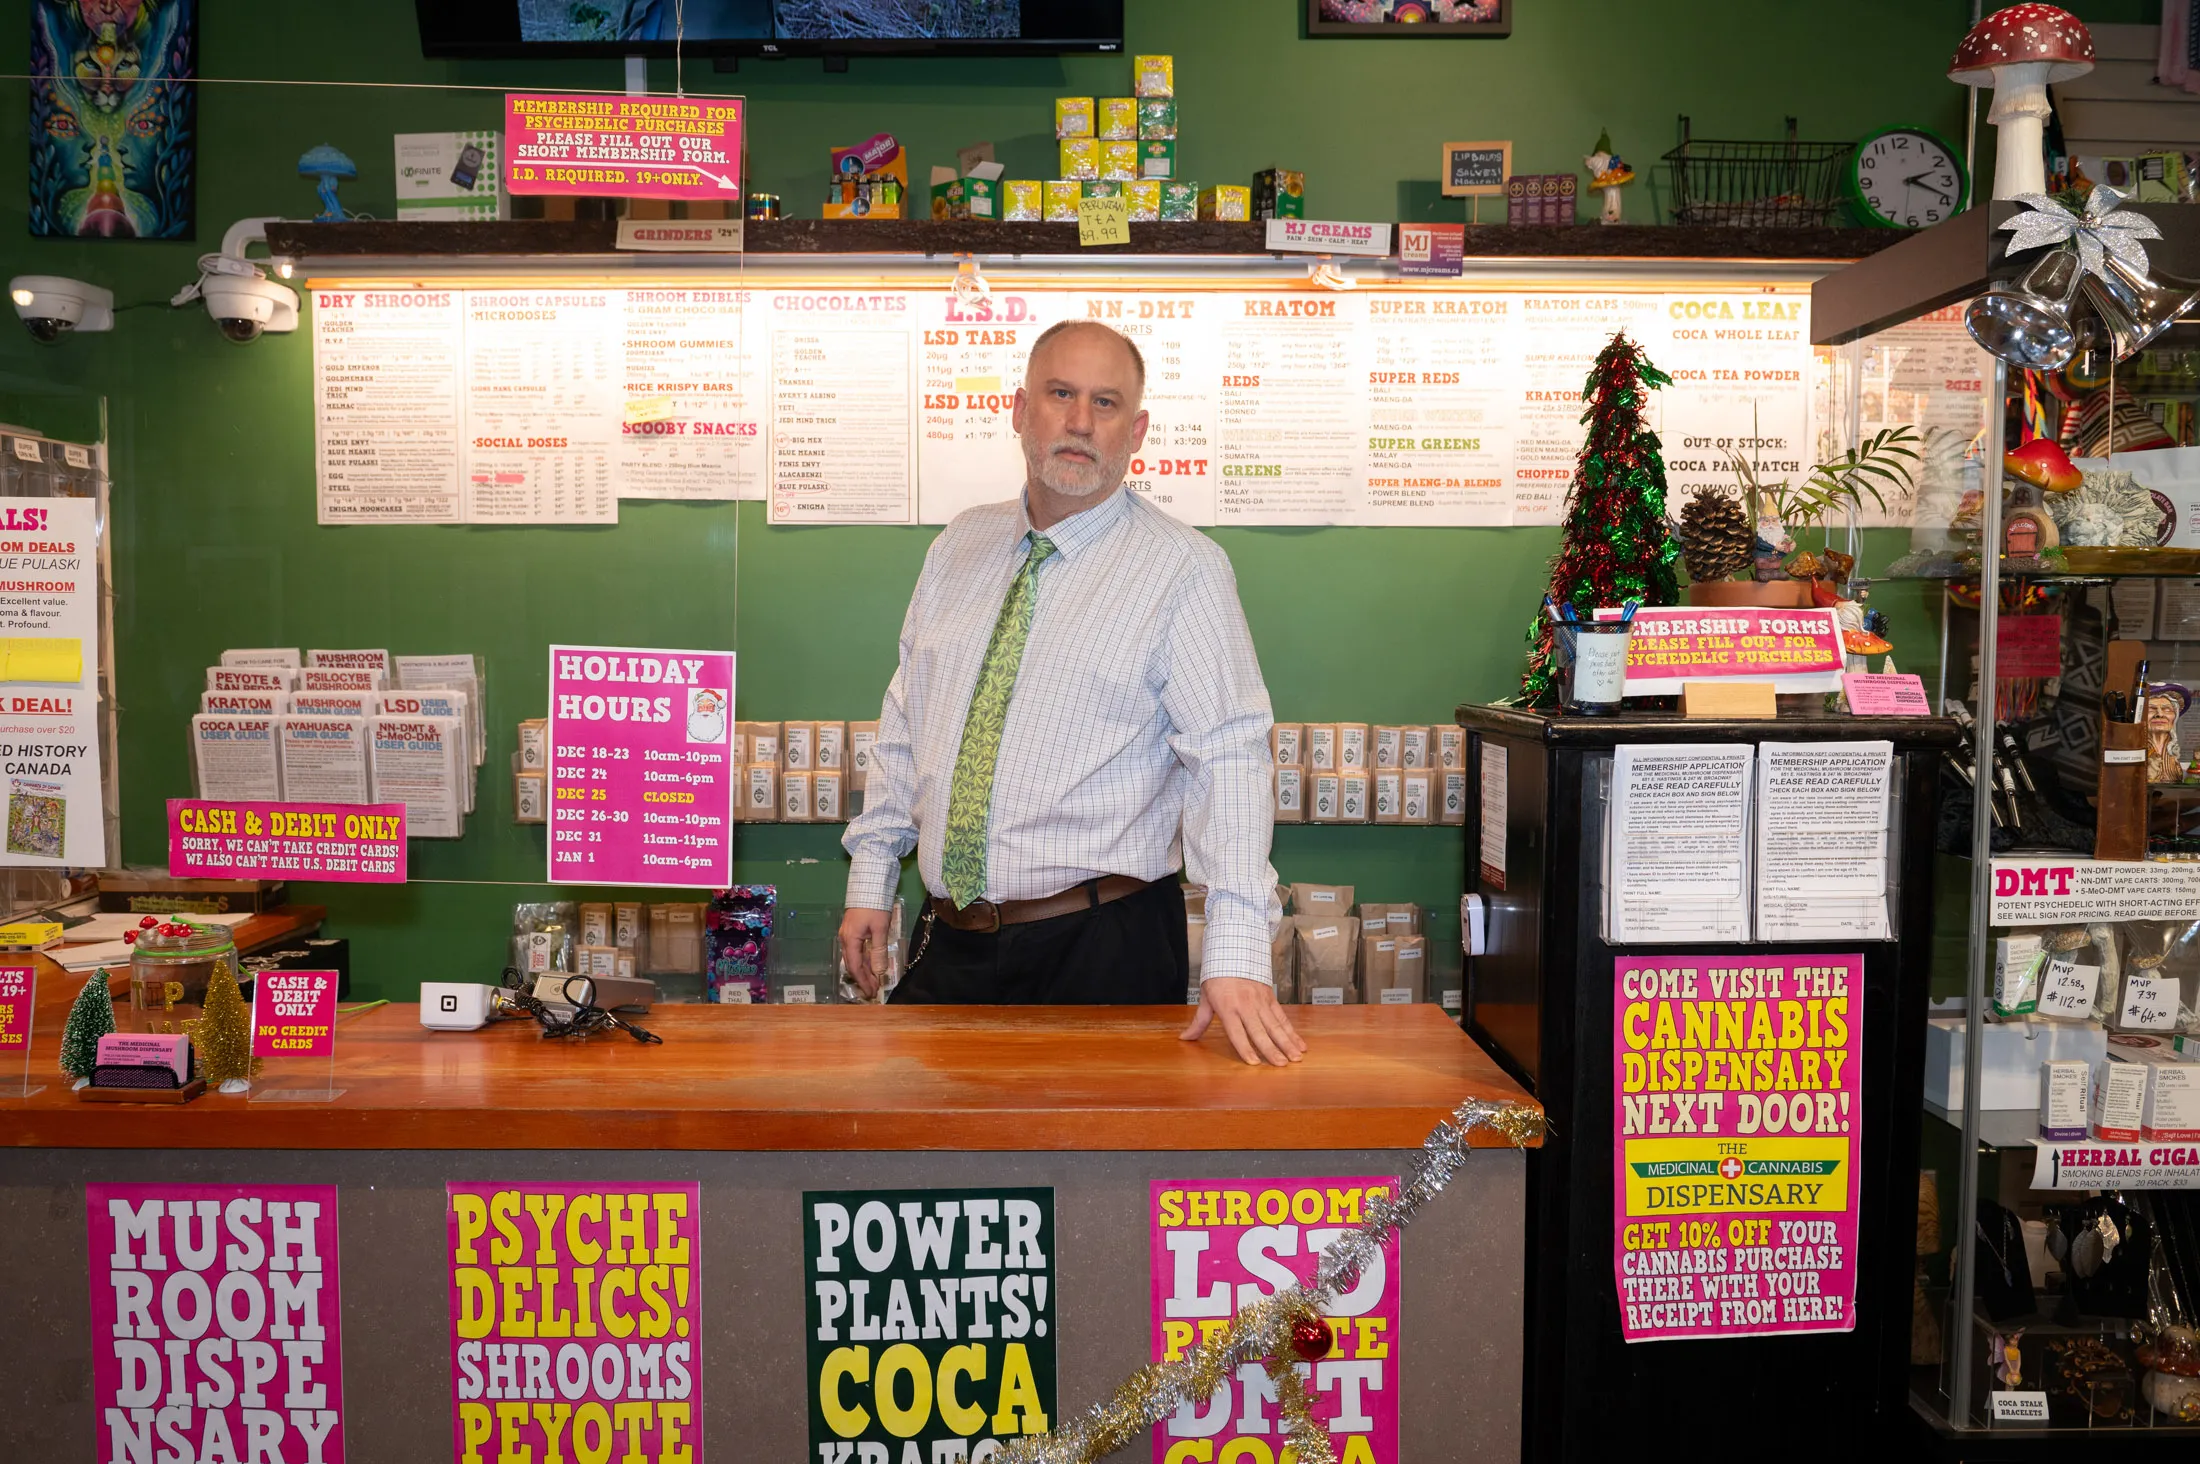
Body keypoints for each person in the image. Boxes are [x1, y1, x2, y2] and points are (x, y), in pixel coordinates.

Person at [838, 319, 1304, 1067]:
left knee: (1095, 1173)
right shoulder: (958, 546)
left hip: (1100, 948)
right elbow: (906, 720)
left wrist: (1239, 953)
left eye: (1106, 402)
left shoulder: (1183, 570)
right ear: (1020, 410)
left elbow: (1230, 760)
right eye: (1060, 394)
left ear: (1138, 429)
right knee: (929, 1160)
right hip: (947, 938)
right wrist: (872, 876)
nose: (1080, 422)